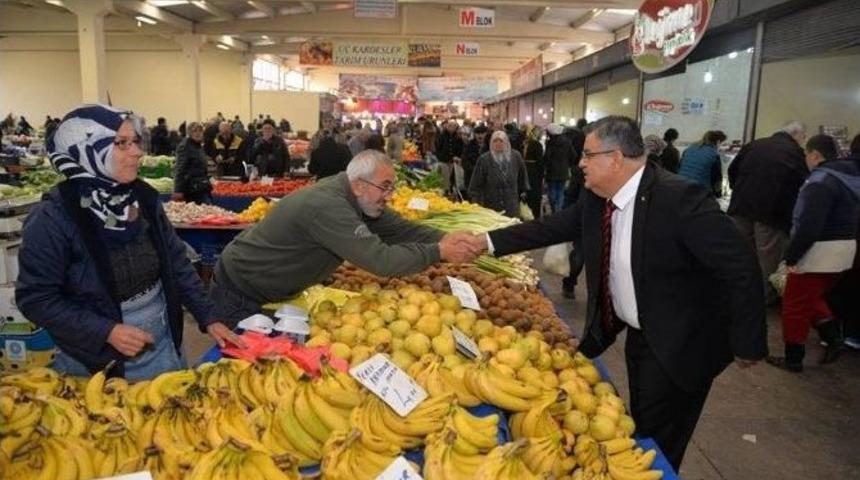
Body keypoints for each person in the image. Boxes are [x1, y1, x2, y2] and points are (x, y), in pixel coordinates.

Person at [464, 116, 766, 470]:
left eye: (588, 155)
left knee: (659, 443)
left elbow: (740, 267)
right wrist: (483, 242)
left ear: (616, 158)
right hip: (639, 336)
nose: (580, 163)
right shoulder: (597, 199)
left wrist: (748, 341)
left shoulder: (680, 199)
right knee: (641, 421)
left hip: (681, 343)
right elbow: (548, 227)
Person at [15, 105, 241, 380]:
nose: (137, 151)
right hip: (94, 358)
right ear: (87, 151)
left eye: (134, 141)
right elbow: (36, 298)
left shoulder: (142, 198)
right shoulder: (53, 218)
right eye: (121, 144)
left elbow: (176, 262)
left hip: (161, 342)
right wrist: (105, 331)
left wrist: (208, 316)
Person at [209, 150, 477, 326]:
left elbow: (401, 229)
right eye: (384, 187)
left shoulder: (357, 198)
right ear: (359, 184)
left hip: (270, 288)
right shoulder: (329, 206)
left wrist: (448, 238)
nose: (390, 195)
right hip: (240, 290)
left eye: (391, 187)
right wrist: (438, 251)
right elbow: (380, 260)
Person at [766, 134, 860, 372]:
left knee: (794, 303)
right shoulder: (849, 177)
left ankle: (793, 358)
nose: (805, 160)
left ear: (815, 154)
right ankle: (833, 337)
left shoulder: (821, 180)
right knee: (811, 296)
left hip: (818, 250)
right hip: (845, 249)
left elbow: (810, 224)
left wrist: (792, 255)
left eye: (806, 154)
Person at [728, 121, 808, 305]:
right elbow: (802, 185)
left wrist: (739, 191)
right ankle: (764, 299)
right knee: (767, 258)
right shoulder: (795, 152)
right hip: (771, 212)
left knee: (740, 252)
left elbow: (733, 171)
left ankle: (738, 291)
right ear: (797, 135)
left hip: (741, 206)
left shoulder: (754, 145)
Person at [468, 131, 529, 218]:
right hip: (491, 206)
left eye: (501, 141)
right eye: (495, 141)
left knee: (512, 229)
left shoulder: (516, 156)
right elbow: (476, 184)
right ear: (491, 143)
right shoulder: (484, 159)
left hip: (511, 205)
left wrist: (523, 193)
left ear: (506, 142)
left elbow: (523, 177)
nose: (498, 143)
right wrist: (477, 204)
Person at [678, 130, 726, 196]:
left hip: (680, 185)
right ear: (718, 142)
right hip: (699, 190)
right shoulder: (714, 155)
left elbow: (679, 167)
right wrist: (718, 194)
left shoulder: (689, 149)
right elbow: (717, 179)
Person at [173, 122, 212, 204]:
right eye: (195, 131)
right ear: (189, 133)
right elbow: (179, 168)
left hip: (201, 185)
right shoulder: (185, 146)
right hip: (191, 188)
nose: (198, 133)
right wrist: (177, 190)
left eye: (200, 131)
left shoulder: (198, 146)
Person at [544, 123, 575, 213]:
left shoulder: (550, 143)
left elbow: (547, 158)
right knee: (560, 192)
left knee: (552, 193)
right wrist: (567, 163)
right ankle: (558, 212)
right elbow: (573, 155)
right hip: (563, 171)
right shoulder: (567, 142)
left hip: (551, 172)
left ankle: (554, 210)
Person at [435, 121, 465, 193]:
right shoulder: (442, 135)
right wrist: (439, 157)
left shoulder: (457, 136)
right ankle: (446, 191)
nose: (451, 128)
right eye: (450, 126)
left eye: (453, 126)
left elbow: (460, 148)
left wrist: (458, 156)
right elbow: (438, 147)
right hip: (443, 160)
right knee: (445, 176)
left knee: (451, 176)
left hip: (453, 161)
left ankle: (448, 190)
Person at [522, 125, 545, 219]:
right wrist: (542, 175)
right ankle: (535, 215)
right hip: (535, 171)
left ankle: (527, 213)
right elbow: (540, 162)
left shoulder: (526, 143)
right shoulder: (537, 145)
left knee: (528, 193)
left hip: (526, 169)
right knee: (535, 195)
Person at [462, 125, 489, 195]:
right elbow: (464, 162)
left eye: (482, 133)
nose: (480, 136)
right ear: (474, 134)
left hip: (487, 179)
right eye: (477, 134)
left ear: (486, 134)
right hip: (471, 178)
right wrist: (475, 169)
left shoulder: (490, 145)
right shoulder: (469, 146)